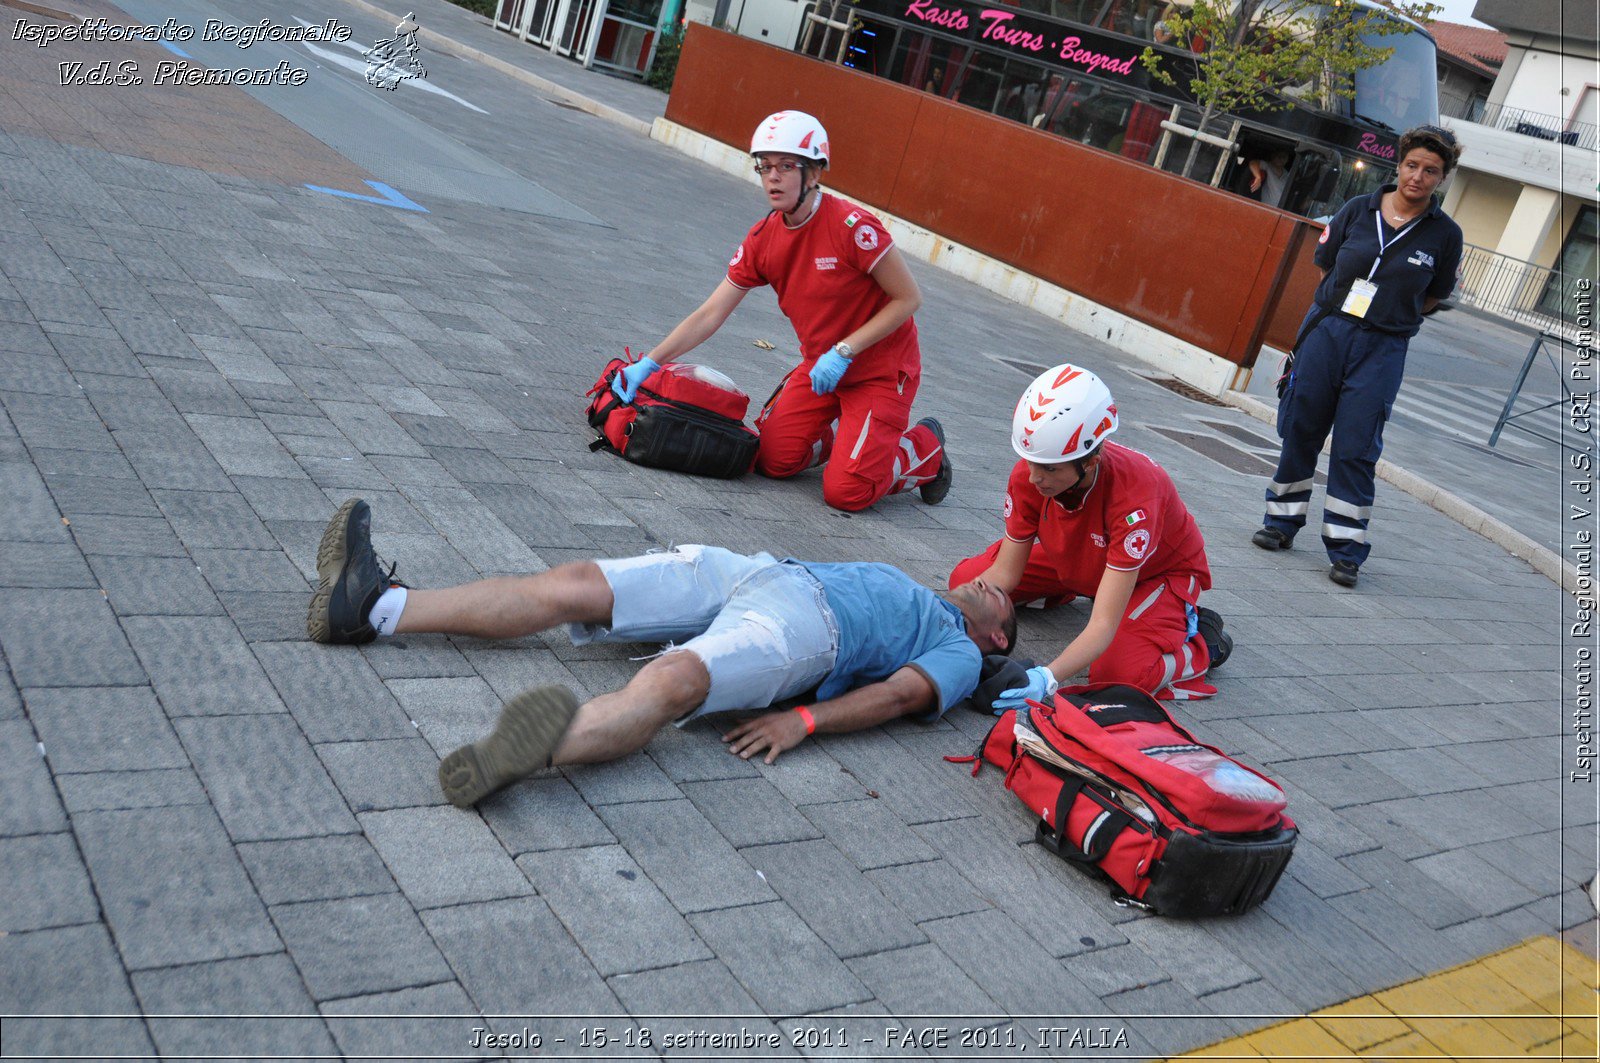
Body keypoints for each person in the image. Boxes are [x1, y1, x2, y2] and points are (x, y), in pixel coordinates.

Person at [305, 499, 1016, 805]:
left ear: (998, 637)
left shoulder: (957, 650)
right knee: (576, 583)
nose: (992, 580)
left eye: (1003, 596)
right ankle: (377, 608)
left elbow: (898, 696)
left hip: (810, 632)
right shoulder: (924, 590)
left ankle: (518, 755)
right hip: (755, 570)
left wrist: (803, 724)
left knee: (675, 676)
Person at [611, 110, 952, 513]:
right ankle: (851, 437)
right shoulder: (762, 239)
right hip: (821, 366)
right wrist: (649, 363)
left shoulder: (852, 227)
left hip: (880, 371)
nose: (773, 177)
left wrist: (844, 351)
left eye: (787, 166)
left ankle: (925, 449)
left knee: (848, 493)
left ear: (815, 172)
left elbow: (908, 299)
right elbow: (710, 314)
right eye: (766, 166)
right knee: (770, 461)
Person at [1253, 124, 1464, 588]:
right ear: (1399, 164)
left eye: (1431, 171)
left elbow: (1434, 295)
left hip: (1383, 346)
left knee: (1357, 445)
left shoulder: (1445, 235)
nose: (1418, 177)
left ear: (1442, 178)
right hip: (1328, 330)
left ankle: (1346, 549)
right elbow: (1328, 266)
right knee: (1302, 427)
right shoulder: (1356, 209)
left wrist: (1389, 313)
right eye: (1412, 165)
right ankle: (1280, 522)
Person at [948, 364, 1229, 707]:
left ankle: (1204, 642)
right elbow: (1006, 573)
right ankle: (1076, 591)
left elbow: (1103, 624)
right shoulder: (1032, 473)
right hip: (1089, 557)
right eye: (1030, 461)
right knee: (965, 583)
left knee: (1119, 675)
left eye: (1049, 467)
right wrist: (940, 618)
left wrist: (1047, 677)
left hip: (1155, 573)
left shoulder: (1137, 496)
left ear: (1092, 459)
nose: (1034, 477)